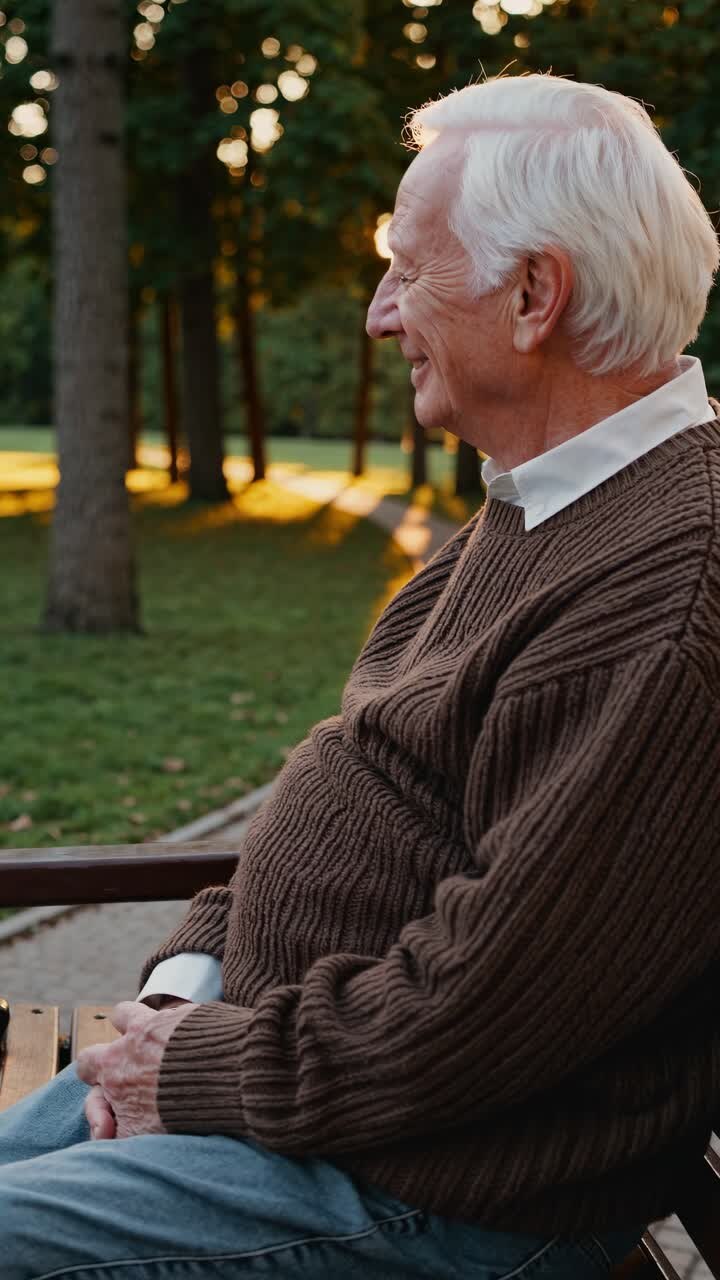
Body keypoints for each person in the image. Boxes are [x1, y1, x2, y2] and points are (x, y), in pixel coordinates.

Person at [2, 72, 719, 1280]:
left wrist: (191, 1066)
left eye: (408, 268)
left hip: (437, 1191)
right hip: (303, 1097)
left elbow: (481, 1013)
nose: (381, 314)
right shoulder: (545, 504)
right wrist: (180, 996)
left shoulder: (670, 586)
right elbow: (345, 785)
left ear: (534, 294)